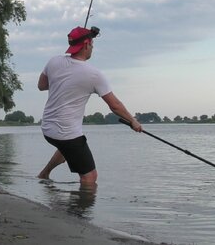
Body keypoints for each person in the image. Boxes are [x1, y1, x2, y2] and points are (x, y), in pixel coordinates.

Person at [37, 26, 142, 185]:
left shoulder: (53, 61)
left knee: (66, 149)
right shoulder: (94, 74)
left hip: (47, 129)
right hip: (66, 134)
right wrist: (133, 121)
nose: (93, 47)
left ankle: (44, 174)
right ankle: (80, 209)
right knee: (90, 177)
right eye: (92, 44)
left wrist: (63, 81)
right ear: (86, 44)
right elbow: (115, 105)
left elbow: (42, 85)